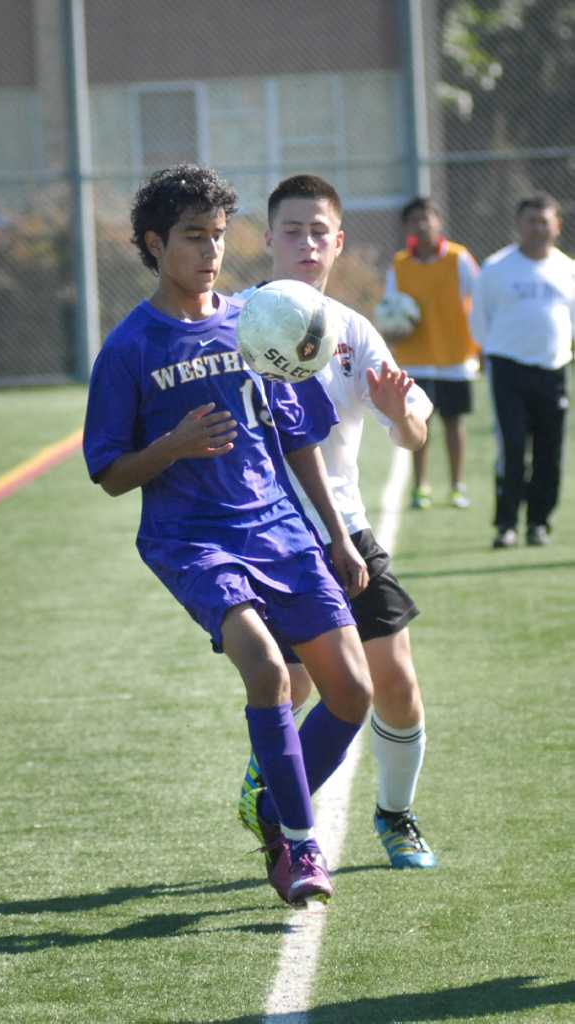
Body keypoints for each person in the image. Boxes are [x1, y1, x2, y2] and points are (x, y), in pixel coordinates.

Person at [82, 164, 375, 907]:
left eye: (217, 237)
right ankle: (300, 850)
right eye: (192, 238)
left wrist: (337, 538)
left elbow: (298, 436)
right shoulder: (129, 348)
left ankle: (275, 807)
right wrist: (172, 446)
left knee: (351, 694)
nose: (210, 252)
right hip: (193, 540)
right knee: (267, 669)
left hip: (279, 526)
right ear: (153, 244)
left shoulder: (257, 319)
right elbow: (111, 473)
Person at [236, 174, 438, 869]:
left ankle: (395, 815)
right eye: (292, 229)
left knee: (398, 687)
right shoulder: (232, 321)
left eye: (319, 230)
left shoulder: (352, 334)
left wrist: (400, 411)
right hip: (265, 535)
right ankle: (269, 783)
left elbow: (413, 437)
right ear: (267, 239)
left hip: (342, 531)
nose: (306, 242)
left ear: (338, 242)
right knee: (292, 687)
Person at [470, 193, 574, 549]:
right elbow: (480, 321)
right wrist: (494, 354)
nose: (538, 228)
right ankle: (507, 524)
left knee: (550, 451)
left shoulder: (567, 269)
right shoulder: (496, 268)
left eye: (544, 221)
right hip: (508, 370)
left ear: (557, 226)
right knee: (512, 448)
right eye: (531, 221)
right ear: (518, 225)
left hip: (553, 370)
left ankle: (539, 523)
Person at [384, 196, 480, 510]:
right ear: (406, 227)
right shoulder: (399, 264)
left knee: (454, 423)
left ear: (439, 222)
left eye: (427, 217)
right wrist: (393, 329)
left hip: (455, 357)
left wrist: (479, 347)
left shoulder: (458, 258)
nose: (421, 224)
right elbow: (391, 309)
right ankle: (420, 487)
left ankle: (457, 486)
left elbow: (478, 299)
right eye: (414, 219)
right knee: (418, 423)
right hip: (414, 358)